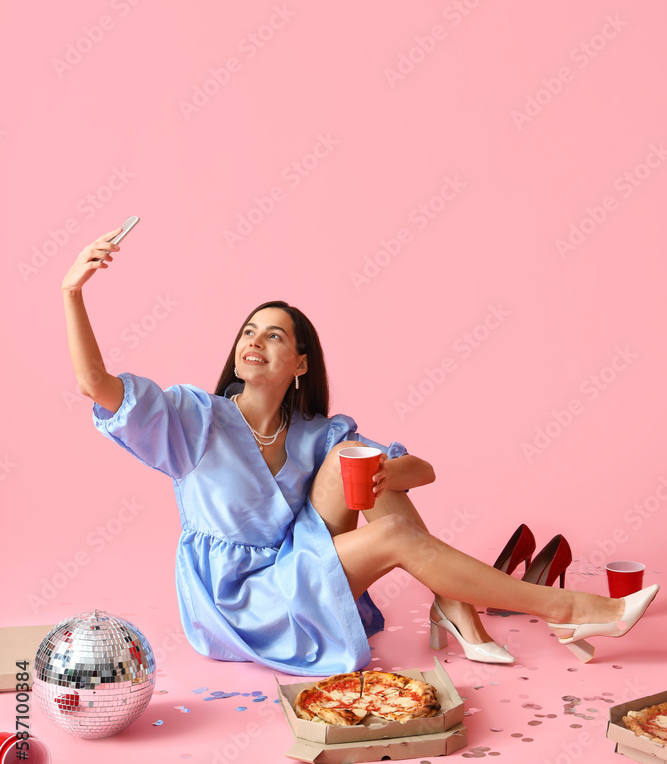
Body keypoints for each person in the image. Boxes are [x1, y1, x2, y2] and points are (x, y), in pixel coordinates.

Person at [61, 230, 659, 676]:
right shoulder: (195, 419)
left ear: (299, 365)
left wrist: (379, 475)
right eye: (248, 331)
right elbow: (98, 386)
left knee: (359, 461)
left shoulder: (316, 431)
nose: (255, 341)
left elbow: (422, 470)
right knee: (388, 522)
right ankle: (560, 607)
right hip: (239, 601)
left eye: (274, 335)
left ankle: (457, 603)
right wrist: (73, 293)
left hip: (300, 566)